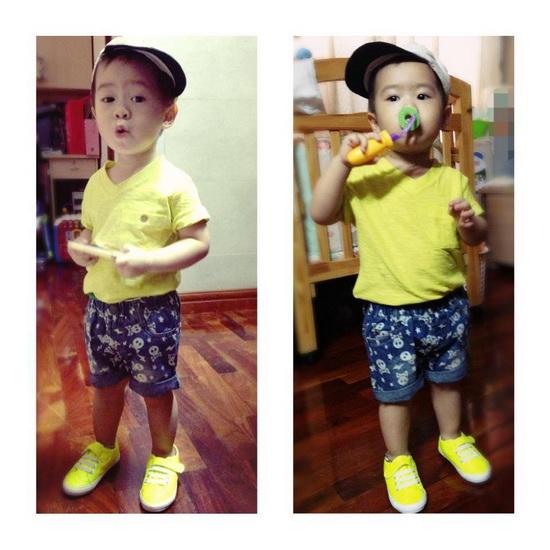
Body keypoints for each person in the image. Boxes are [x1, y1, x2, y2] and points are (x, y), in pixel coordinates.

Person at [311, 41, 491, 513]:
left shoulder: (452, 180)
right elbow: (321, 213)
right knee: (395, 394)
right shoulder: (364, 178)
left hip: (448, 306)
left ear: (444, 115)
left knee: (449, 380)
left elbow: (477, 236)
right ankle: (397, 458)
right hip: (388, 313)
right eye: (393, 97)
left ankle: (452, 437)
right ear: (375, 122)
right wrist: (340, 163)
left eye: (422, 95)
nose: (408, 105)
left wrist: (470, 224)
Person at [62, 38, 210, 513]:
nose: (121, 111)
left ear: (169, 113)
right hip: (100, 309)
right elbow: (90, 232)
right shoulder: (96, 182)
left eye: (138, 98)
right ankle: (104, 447)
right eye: (108, 98)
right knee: (104, 386)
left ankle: (165, 456)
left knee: (156, 390)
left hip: (152, 311)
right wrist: (81, 249)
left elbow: (198, 242)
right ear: (95, 110)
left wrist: (149, 261)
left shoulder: (174, 183)